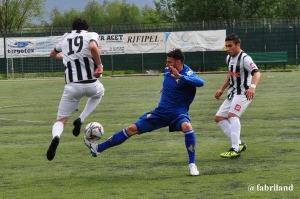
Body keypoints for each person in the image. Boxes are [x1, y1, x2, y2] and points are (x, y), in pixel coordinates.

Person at [83, 49, 205, 176]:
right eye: (166, 61)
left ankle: (192, 165)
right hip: (161, 113)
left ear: (178, 62)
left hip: (178, 114)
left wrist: (181, 77)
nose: (167, 64)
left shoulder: (188, 73)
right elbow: (171, 82)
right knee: (131, 129)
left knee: (187, 126)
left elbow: (201, 82)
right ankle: (98, 149)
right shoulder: (167, 70)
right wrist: (166, 88)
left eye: (169, 62)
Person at [46, 18, 105, 161]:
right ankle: (81, 118)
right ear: (87, 28)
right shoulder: (91, 35)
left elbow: (52, 54)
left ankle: (56, 137)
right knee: (99, 92)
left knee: (61, 120)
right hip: (91, 83)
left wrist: (65, 57)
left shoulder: (66, 37)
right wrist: (100, 65)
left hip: (72, 86)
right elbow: (92, 47)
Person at [214, 33, 261, 158]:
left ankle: (235, 149)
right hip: (232, 93)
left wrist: (252, 87)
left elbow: (257, 73)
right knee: (219, 117)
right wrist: (222, 89)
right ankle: (239, 143)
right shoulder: (229, 58)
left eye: (230, 46)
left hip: (244, 93)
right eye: (226, 46)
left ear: (237, 45)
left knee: (232, 115)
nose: (228, 49)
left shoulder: (245, 58)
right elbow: (230, 74)